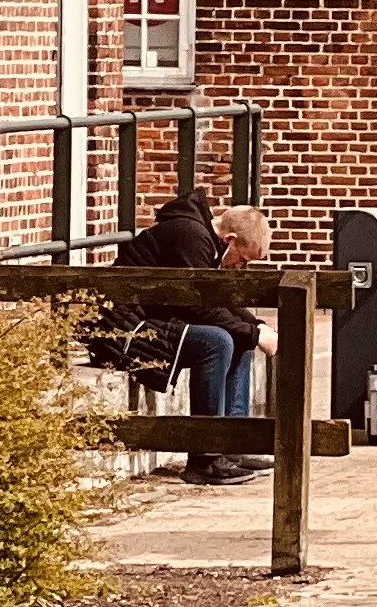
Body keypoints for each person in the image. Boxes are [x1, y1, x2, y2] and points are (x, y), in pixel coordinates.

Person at [106, 190, 266, 484]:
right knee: (218, 341)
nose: (241, 269)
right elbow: (195, 304)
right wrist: (252, 332)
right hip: (125, 325)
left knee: (241, 336)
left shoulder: (204, 238)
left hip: (156, 316)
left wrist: (255, 327)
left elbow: (215, 299)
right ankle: (204, 457)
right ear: (230, 240)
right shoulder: (191, 236)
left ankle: (232, 445)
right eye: (242, 260)